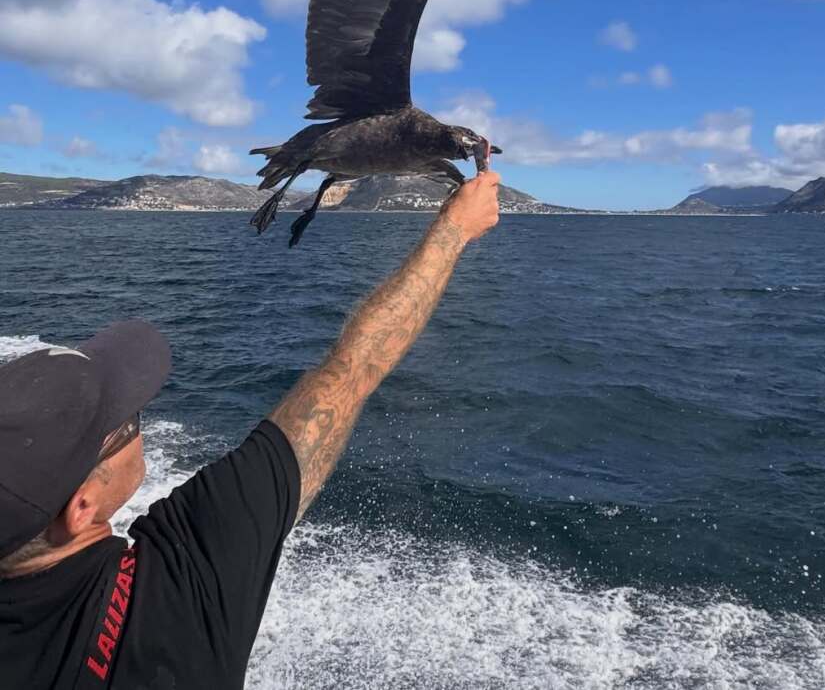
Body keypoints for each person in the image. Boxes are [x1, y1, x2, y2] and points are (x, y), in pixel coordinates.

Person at [0, 169, 500, 689]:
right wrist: (454, 229)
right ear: (81, 508)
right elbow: (350, 371)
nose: (139, 419)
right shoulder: (180, 588)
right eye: (127, 422)